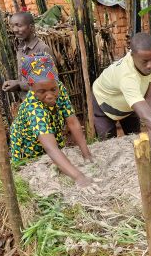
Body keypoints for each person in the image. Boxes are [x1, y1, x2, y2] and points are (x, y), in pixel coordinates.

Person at [10, 53, 94, 187]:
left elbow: (72, 121)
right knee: (36, 179)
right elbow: (50, 148)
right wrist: (79, 177)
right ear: (31, 87)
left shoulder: (60, 88)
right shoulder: (34, 109)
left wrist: (86, 153)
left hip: (52, 133)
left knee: (58, 165)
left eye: (53, 89)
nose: (49, 95)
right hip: (28, 144)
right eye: (42, 91)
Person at [3, 11, 54, 99]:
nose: (14, 30)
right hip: (27, 103)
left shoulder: (42, 49)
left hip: (41, 105)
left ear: (31, 27)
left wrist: (19, 85)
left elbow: (48, 83)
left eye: (19, 25)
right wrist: (15, 83)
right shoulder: (20, 49)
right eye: (12, 26)